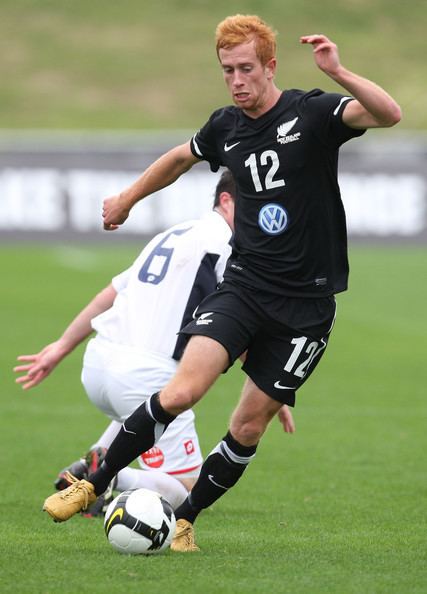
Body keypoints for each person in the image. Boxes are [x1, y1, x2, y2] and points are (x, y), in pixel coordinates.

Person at [42, 15, 401, 550]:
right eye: (228, 70)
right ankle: (91, 485)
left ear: (270, 66)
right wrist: (127, 199)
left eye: (246, 69)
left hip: (306, 308)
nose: (237, 80)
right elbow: (179, 159)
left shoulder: (311, 113)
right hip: (244, 287)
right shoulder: (225, 126)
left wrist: (340, 71)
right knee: (183, 390)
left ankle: (185, 519)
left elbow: (387, 114)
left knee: (248, 427)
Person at [18, 170, 296, 511]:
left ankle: (102, 454)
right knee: (185, 488)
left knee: (141, 412)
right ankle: (106, 478)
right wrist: (267, 383)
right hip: (143, 378)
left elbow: (110, 292)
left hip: (97, 365)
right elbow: (233, 327)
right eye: (252, 205)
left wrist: (61, 347)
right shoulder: (227, 247)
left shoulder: (175, 232)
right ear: (226, 201)